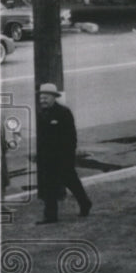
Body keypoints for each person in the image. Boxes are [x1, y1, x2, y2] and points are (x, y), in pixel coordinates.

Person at [35, 83, 92, 224]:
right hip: (47, 157)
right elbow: (41, 138)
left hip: (62, 156)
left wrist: (67, 155)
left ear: (54, 98)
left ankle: (85, 203)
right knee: (49, 185)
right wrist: (39, 155)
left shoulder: (63, 112)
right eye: (41, 98)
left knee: (71, 181)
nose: (43, 101)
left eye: (46, 98)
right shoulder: (41, 113)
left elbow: (71, 137)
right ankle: (50, 216)